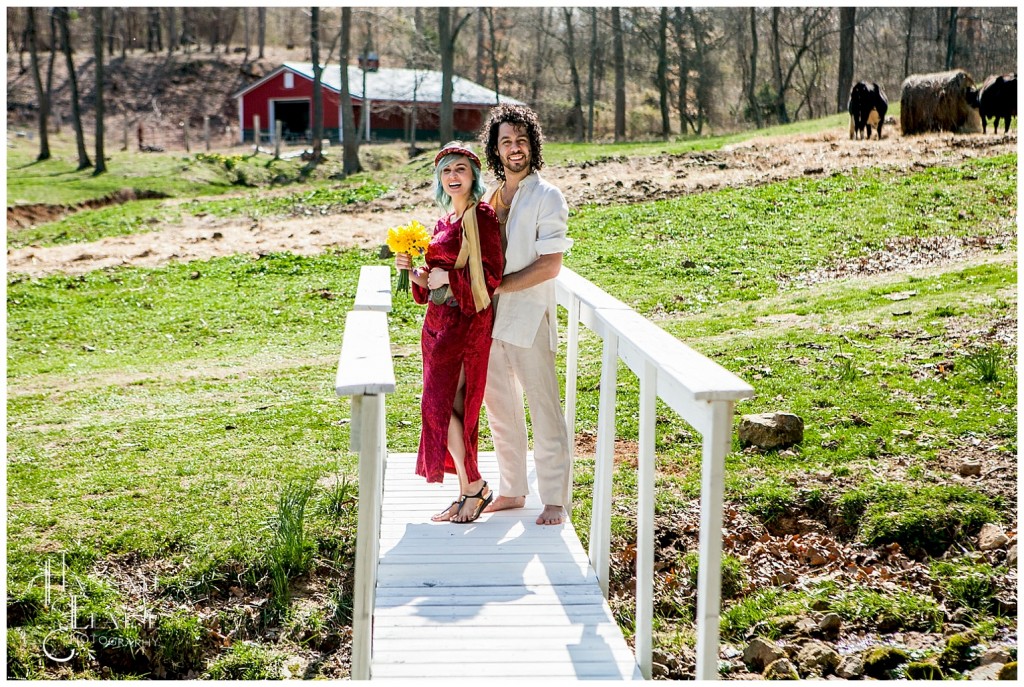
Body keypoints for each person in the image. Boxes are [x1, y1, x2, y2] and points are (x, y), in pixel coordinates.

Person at [395, 141, 504, 523]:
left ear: (473, 175)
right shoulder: (444, 222)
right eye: (446, 171)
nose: (453, 176)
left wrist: (450, 277)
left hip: (465, 326)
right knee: (447, 407)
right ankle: (466, 492)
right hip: (437, 327)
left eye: (460, 169)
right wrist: (417, 275)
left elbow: (491, 278)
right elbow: (428, 291)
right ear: (439, 180)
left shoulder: (483, 217)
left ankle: (474, 487)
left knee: (438, 405)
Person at [478, 104, 574, 526]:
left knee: (543, 407)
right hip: (488, 320)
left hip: (529, 315)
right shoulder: (489, 197)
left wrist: (499, 285)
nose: (514, 148)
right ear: (495, 150)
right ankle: (513, 489)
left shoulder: (547, 195)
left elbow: (550, 265)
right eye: (506, 142)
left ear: (532, 145)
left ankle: (554, 498)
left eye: (521, 140)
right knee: (500, 409)